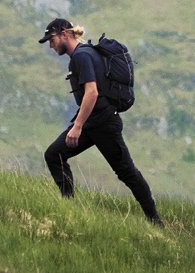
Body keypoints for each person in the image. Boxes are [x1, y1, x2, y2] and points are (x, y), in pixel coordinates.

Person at [38, 18, 162, 226]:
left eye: (51, 40)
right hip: (94, 122)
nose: (50, 45)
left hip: (103, 124)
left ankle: (155, 220)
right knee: (54, 154)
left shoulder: (81, 56)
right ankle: (67, 207)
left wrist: (77, 126)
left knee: (126, 172)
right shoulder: (85, 53)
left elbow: (92, 92)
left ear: (64, 34)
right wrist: (81, 124)